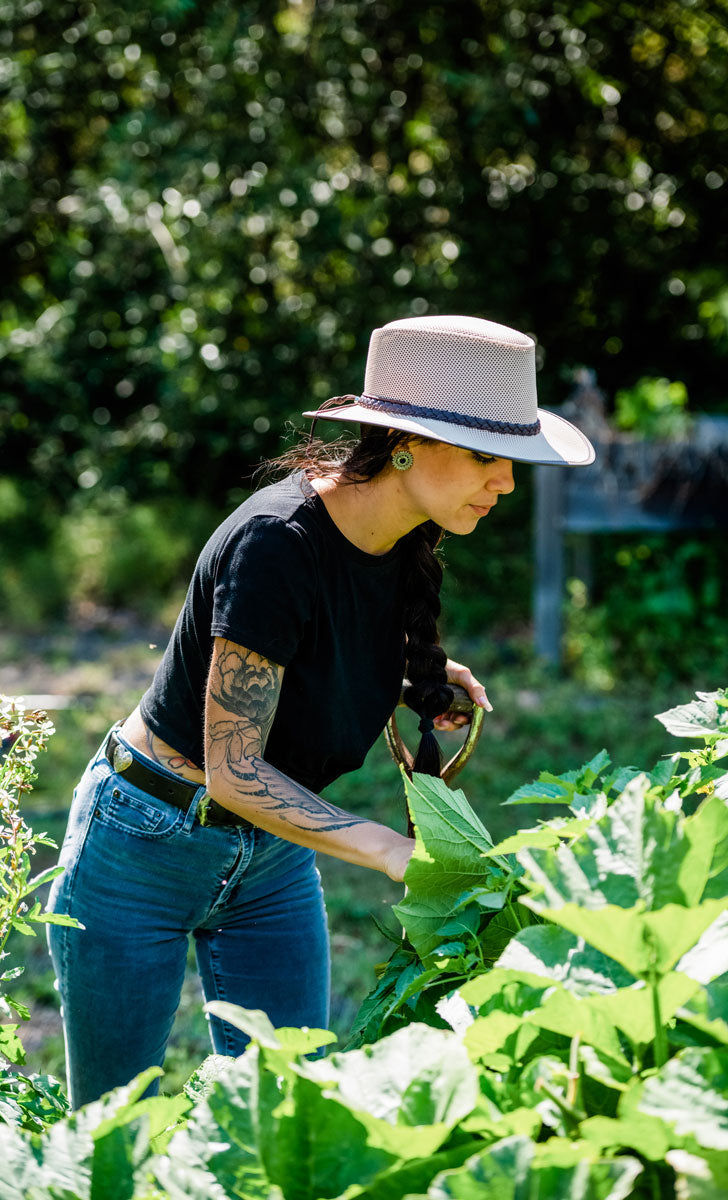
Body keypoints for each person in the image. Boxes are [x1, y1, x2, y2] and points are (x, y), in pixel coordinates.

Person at [47, 314, 595, 1107]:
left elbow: (321, 643)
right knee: (108, 1133)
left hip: (271, 856)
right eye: (486, 457)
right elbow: (233, 771)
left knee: (291, 1116)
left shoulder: (400, 535)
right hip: (146, 843)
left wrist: (417, 678)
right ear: (406, 443)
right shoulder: (275, 543)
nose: (505, 483)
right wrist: (387, 849)